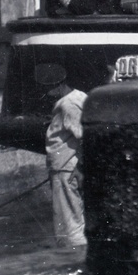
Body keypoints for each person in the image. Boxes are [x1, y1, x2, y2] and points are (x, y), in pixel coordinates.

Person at [36, 64, 87, 248]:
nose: (45, 95)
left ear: (58, 85)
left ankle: (73, 261)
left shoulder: (68, 105)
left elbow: (85, 137)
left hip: (66, 169)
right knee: (75, 218)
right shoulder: (79, 97)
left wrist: (81, 168)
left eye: (46, 90)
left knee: (69, 226)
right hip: (67, 167)